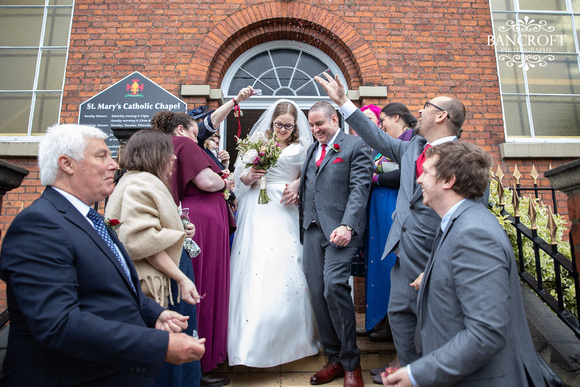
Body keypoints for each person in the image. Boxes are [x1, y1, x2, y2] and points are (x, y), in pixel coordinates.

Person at [0, 124, 205, 386]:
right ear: (67, 164)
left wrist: (155, 313)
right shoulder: (39, 226)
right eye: (102, 156)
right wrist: (159, 345)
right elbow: (59, 324)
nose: (114, 164)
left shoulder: (90, 218)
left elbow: (112, 286)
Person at [315, 72, 473, 369]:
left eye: (426, 106)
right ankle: (410, 372)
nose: (420, 110)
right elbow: (376, 137)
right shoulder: (413, 147)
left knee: (437, 323)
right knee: (400, 316)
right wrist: (344, 103)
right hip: (402, 251)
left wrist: (441, 266)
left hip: (434, 256)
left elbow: (469, 218)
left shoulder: (464, 157)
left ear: (442, 116)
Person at [383, 141, 543, 386]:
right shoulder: (454, 224)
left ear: (448, 181)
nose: (419, 180)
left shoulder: (474, 234)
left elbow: (486, 332)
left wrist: (417, 374)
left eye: (426, 173)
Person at [105, 130, 203, 386]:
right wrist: (181, 278)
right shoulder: (140, 184)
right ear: (152, 154)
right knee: (168, 355)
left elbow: (153, 230)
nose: (173, 158)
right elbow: (141, 240)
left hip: (166, 277)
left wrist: (181, 229)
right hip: (162, 283)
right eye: (167, 153)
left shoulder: (140, 181)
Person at [227, 99, 320, 367]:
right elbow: (241, 177)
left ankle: (295, 339)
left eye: (289, 126)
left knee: (289, 262)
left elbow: (311, 176)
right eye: (279, 125)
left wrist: (297, 183)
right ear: (272, 122)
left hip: (286, 205)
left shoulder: (304, 147)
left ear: (295, 127)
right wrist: (250, 176)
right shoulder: (258, 140)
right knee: (255, 262)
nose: (283, 130)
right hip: (258, 206)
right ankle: (250, 342)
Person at [151, 112, 231, 387]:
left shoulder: (165, 147)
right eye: (196, 130)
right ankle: (202, 363)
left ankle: (194, 362)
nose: (198, 135)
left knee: (195, 281)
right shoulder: (184, 144)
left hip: (190, 215)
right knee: (205, 282)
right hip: (204, 218)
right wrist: (225, 181)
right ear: (183, 128)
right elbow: (207, 182)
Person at [298, 101, 373, 387]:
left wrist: (348, 225)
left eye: (320, 124)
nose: (316, 129)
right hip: (312, 230)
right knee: (317, 293)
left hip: (342, 231)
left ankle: (352, 363)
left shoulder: (354, 146)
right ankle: (334, 359)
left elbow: (360, 188)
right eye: (312, 125)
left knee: (333, 287)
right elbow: (310, 185)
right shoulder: (310, 150)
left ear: (334, 119)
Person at [365, 103, 416, 384]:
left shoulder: (411, 142)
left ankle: (402, 360)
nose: (380, 125)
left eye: (382, 119)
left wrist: (374, 177)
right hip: (380, 208)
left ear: (397, 117)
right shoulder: (393, 142)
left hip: (395, 209)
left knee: (399, 281)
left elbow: (403, 175)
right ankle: (397, 354)